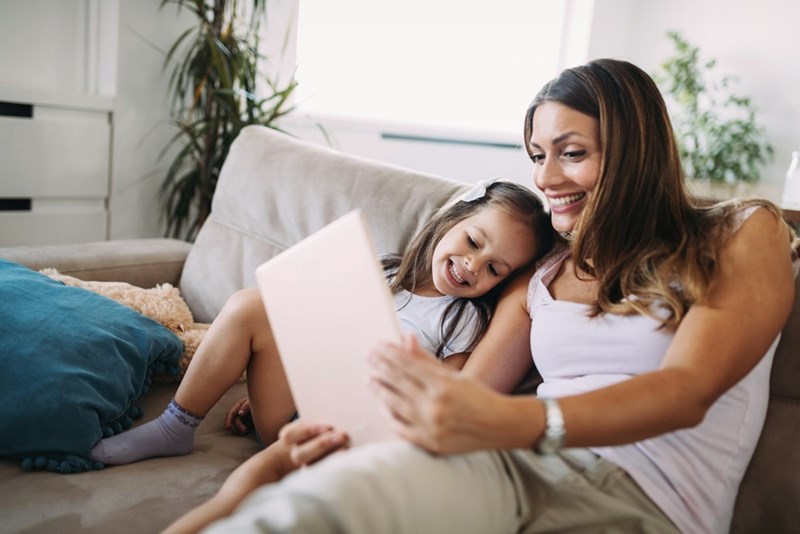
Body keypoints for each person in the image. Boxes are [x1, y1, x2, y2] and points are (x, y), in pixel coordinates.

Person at [196, 58, 800, 534]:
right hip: (505, 466)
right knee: (308, 511)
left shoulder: (742, 231)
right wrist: (307, 448)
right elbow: (465, 399)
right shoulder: (541, 274)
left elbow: (686, 393)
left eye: (571, 153)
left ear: (634, 151)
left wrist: (511, 420)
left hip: (643, 503)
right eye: (538, 155)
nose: (546, 178)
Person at [88, 181, 552, 460]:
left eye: (495, 269)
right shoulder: (383, 271)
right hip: (301, 404)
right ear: (452, 219)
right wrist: (278, 382)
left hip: (348, 432)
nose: (474, 266)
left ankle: (176, 430)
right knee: (253, 304)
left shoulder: (462, 321)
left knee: (261, 307)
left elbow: (434, 399)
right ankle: (176, 426)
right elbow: (312, 331)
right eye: (473, 242)